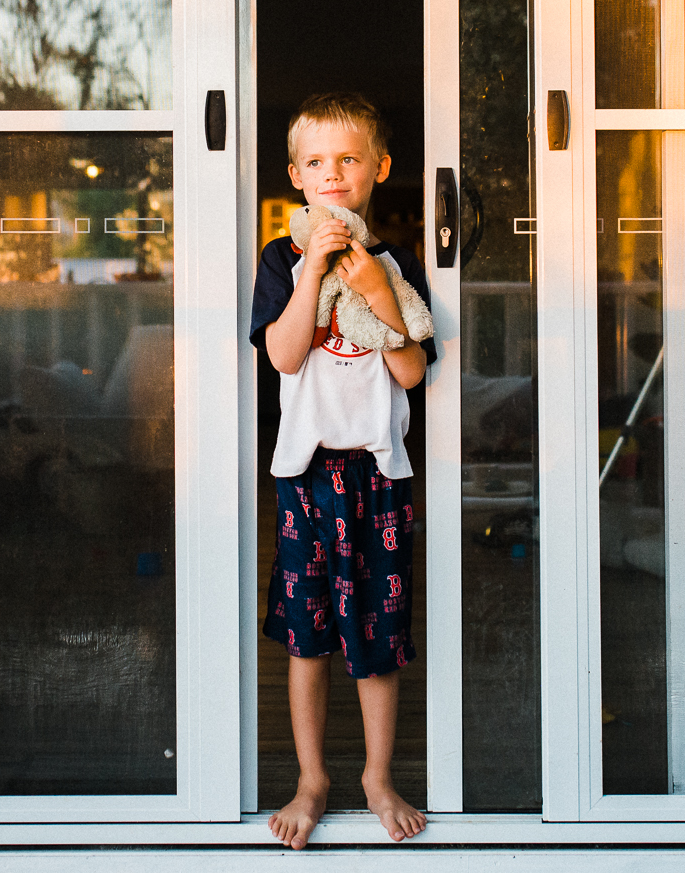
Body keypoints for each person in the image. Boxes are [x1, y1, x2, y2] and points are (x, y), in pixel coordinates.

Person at [250, 91, 433, 849]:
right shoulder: (280, 260)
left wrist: (375, 290)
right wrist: (312, 272)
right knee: (309, 636)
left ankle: (378, 774)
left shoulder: (394, 262)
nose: (333, 173)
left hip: (378, 472)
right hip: (307, 473)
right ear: (296, 174)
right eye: (317, 161)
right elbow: (285, 353)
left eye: (349, 159)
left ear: (378, 169)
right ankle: (313, 777)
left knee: (377, 634)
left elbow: (414, 370)